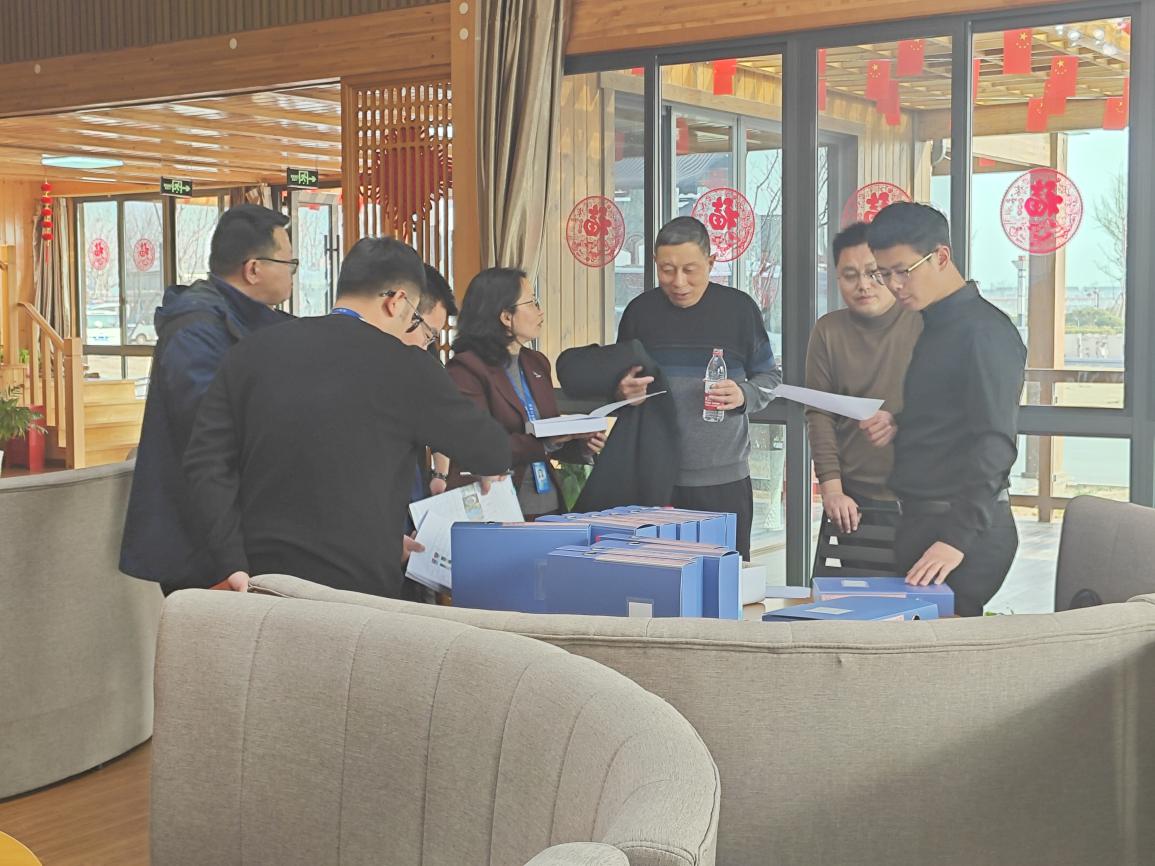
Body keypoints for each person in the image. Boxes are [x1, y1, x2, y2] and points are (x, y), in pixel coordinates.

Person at [182, 237, 511, 598]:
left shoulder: (250, 352)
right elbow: (492, 450)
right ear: (396, 301)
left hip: (262, 579)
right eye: (415, 318)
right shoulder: (407, 367)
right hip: (357, 586)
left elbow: (205, 463)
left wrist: (231, 561)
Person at [119, 204, 295, 594]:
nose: (292, 272)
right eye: (288, 262)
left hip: (241, 527)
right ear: (253, 269)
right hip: (202, 540)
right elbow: (211, 439)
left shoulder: (248, 321)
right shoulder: (195, 330)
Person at [865, 202, 1027, 616]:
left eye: (903, 271)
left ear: (940, 256)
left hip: (963, 529)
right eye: (884, 274)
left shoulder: (984, 332)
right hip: (921, 519)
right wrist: (900, 423)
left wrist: (956, 539)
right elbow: (951, 413)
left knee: (941, 650)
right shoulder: (935, 325)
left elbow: (995, 443)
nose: (894, 285)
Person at [615, 216, 782, 559]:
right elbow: (620, 380)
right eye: (667, 270)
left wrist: (744, 395)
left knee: (726, 577)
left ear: (711, 262)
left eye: (690, 270)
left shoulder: (739, 310)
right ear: (655, 263)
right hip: (655, 477)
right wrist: (623, 392)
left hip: (724, 479)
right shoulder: (639, 313)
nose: (678, 282)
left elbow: (769, 378)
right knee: (658, 576)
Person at [444, 267, 605, 519]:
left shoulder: (536, 363)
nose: (540, 311)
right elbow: (480, 446)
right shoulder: (466, 369)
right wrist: (546, 442)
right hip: (497, 506)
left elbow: (548, 437)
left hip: (548, 505)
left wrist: (582, 445)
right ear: (506, 317)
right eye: (532, 302)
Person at [805, 221, 922, 535]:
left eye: (873, 273)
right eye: (850, 275)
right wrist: (832, 491)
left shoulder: (923, 323)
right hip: (855, 500)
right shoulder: (828, 330)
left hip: (922, 499)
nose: (864, 286)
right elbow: (820, 414)